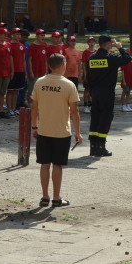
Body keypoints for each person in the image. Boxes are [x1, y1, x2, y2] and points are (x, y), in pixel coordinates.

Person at [31, 53, 83, 208]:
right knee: (57, 165)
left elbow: (34, 108)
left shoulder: (40, 82)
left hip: (44, 130)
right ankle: (56, 198)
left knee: (44, 164)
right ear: (63, 65)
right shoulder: (68, 85)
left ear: (49, 66)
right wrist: (78, 132)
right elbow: (74, 111)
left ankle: (45, 197)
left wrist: (35, 126)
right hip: (61, 131)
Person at [84, 34, 132, 157]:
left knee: (95, 118)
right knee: (105, 118)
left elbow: (88, 77)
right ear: (108, 44)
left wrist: (90, 92)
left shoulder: (92, 58)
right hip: (106, 93)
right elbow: (127, 59)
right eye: (111, 43)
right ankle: (101, 147)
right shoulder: (111, 58)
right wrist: (120, 47)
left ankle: (93, 147)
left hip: (95, 93)